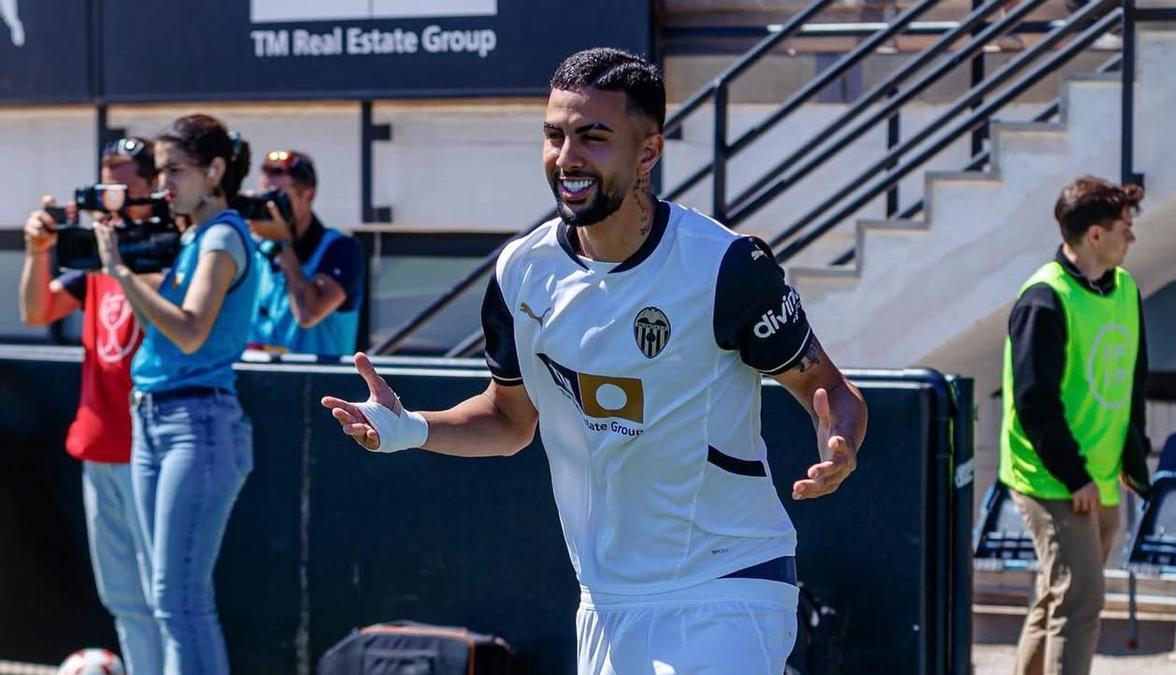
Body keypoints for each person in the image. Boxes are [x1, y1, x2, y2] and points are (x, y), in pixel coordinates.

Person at [321, 48, 868, 674]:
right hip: (605, 602)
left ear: (648, 153)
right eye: (554, 135)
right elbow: (509, 420)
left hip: (729, 581)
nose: (567, 157)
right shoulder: (519, 274)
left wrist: (839, 443)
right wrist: (410, 429)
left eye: (593, 137)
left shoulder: (727, 267)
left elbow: (830, 390)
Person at [93, 114, 259, 675]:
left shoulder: (221, 235)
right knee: (169, 599)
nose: (163, 184)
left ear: (215, 171)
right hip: (158, 421)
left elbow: (189, 329)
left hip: (197, 424)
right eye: (161, 171)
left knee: (178, 601)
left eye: (175, 171)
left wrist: (118, 269)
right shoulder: (195, 235)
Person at [18, 137, 163, 674]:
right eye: (107, 185)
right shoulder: (93, 257)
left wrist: (128, 260)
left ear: (153, 188)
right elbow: (37, 310)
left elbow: (181, 329)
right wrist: (37, 251)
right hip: (99, 443)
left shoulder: (167, 249)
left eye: (125, 185)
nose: (113, 199)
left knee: (163, 599)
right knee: (124, 598)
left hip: (152, 447)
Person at [999, 175, 1151, 675]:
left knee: (1058, 596)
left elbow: (1133, 378)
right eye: (1124, 227)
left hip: (1101, 476)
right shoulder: (1044, 298)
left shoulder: (1125, 288)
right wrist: (1075, 476)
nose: (1132, 236)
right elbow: (1033, 402)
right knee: (1082, 599)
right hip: (1052, 476)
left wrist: (1130, 460)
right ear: (1094, 235)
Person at [247, 149, 363, 355]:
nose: (271, 207)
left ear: (308, 194)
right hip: (257, 381)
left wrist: (281, 244)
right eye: (265, 196)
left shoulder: (341, 248)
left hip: (318, 383)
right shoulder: (255, 250)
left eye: (279, 197)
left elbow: (308, 313)